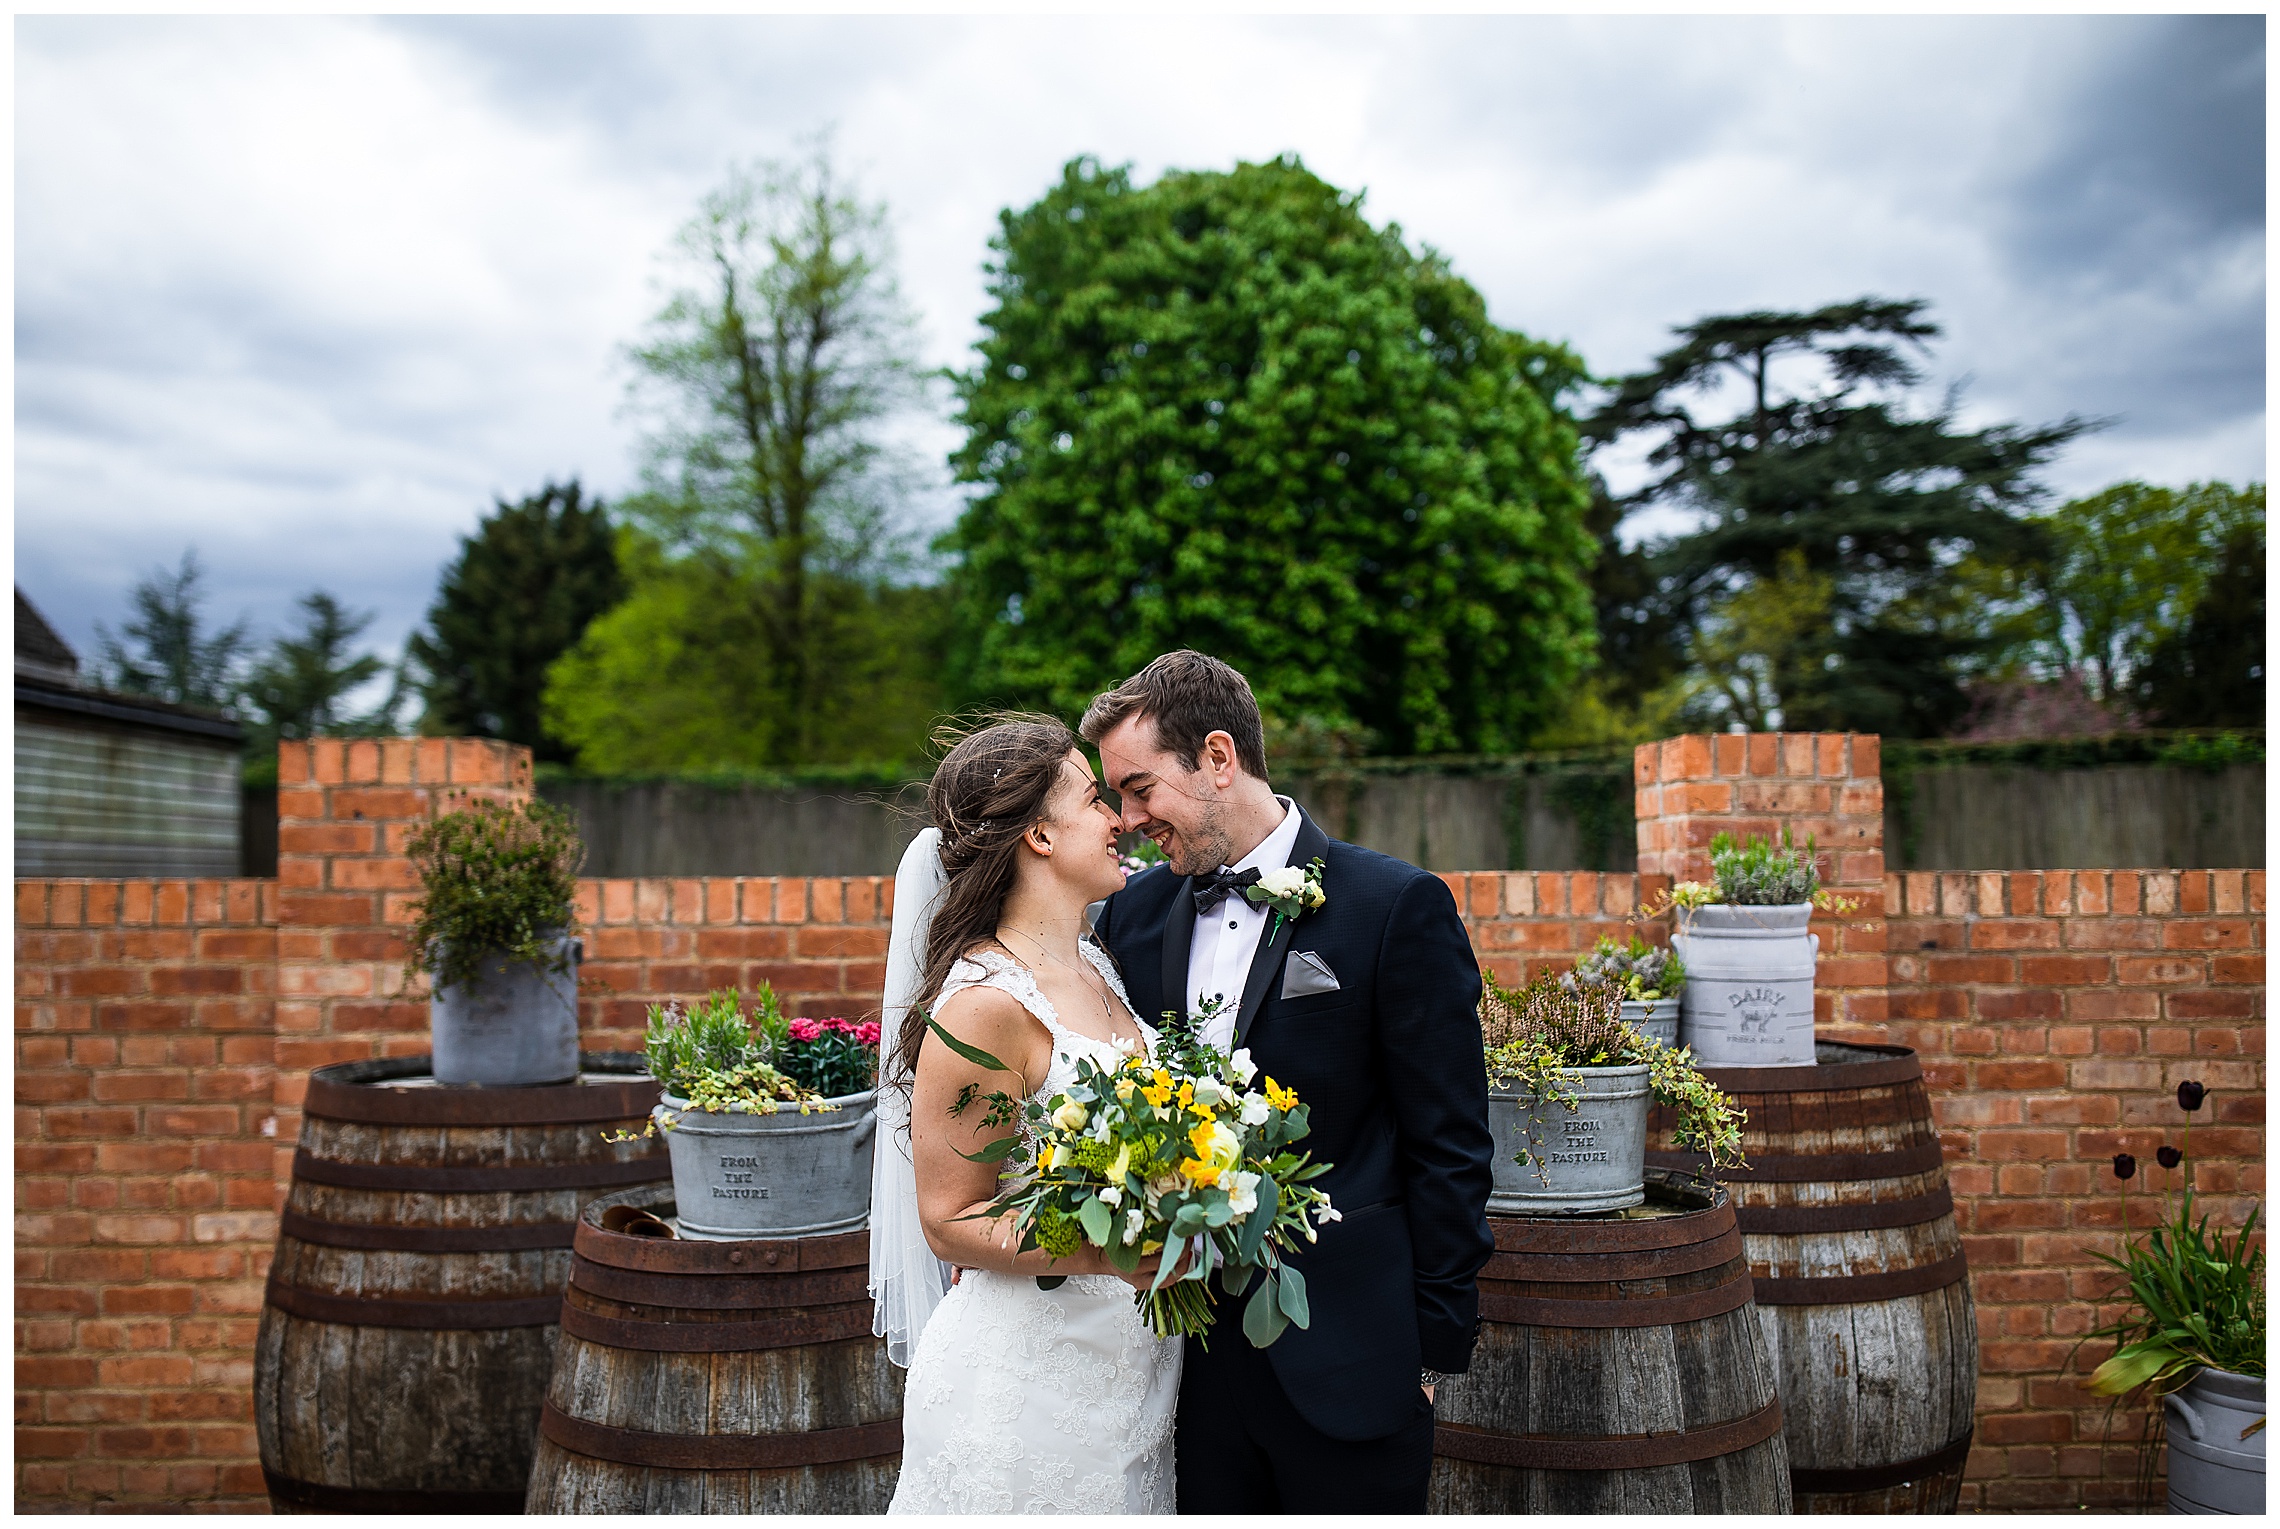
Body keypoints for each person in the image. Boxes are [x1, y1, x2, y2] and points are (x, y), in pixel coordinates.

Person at [1082, 650, 1495, 1513]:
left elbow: (1450, 1143)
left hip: (1353, 1361)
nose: (1126, 817)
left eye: (1139, 787)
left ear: (1219, 759)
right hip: (1183, 1372)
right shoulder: (1133, 914)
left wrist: (1427, 1356)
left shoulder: (1395, 905)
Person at [876, 715, 1182, 1514]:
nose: (1120, 818)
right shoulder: (985, 1003)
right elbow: (947, 1220)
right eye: (1093, 799)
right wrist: (1107, 1252)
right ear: (1040, 834)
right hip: (1021, 1389)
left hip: (1131, 1377)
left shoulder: (1096, 964)